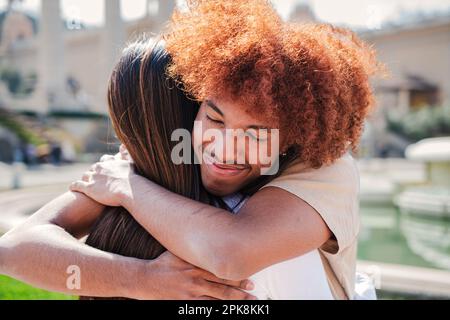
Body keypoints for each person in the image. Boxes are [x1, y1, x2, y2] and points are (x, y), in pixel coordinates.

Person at [0, 0, 381, 300]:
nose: (226, 147)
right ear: (196, 105)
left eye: (257, 132)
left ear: (292, 136)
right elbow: (15, 250)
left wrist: (128, 190)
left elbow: (232, 255)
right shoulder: (152, 162)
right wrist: (144, 280)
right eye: (215, 119)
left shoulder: (323, 168)